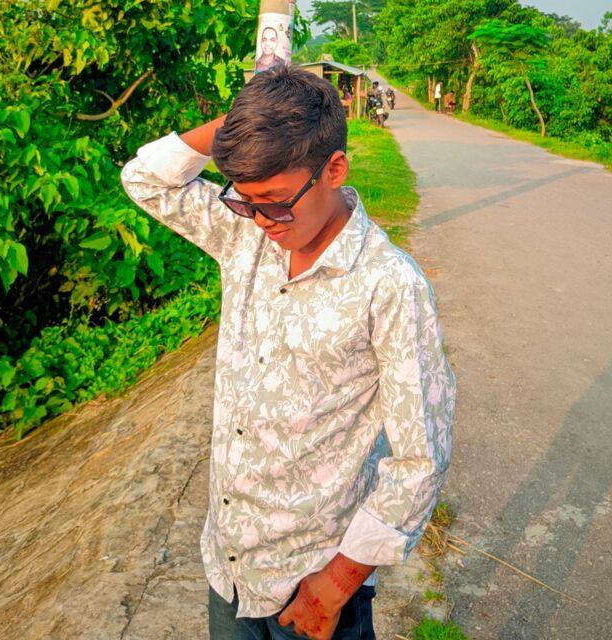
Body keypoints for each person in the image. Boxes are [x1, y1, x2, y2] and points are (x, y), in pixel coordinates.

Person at [121, 65, 455, 640]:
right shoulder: (245, 237)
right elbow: (145, 179)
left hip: (312, 585)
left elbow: (421, 458)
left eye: (276, 202)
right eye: (244, 201)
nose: (261, 220)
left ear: (334, 169)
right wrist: (244, 125)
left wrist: (337, 584)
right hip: (228, 567)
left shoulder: (389, 286)